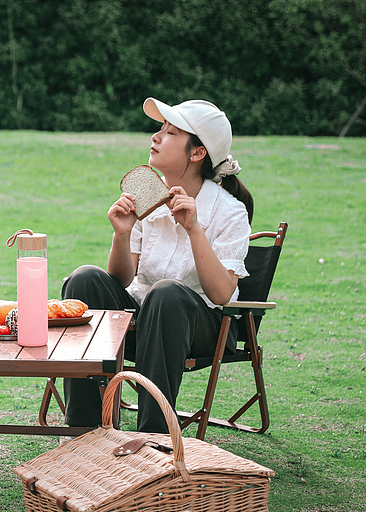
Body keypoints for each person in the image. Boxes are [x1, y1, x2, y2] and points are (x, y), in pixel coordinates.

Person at [60, 98, 254, 433]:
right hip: (140, 322)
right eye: (159, 129)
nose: (156, 137)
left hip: (202, 329)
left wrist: (194, 228)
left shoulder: (229, 211)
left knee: (167, 294)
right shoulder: (148, 200)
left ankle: (152, 436)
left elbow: (223, 294)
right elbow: (121, 279)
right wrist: (121, 235)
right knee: (84, 279)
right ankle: (84, 429)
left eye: (170, 132)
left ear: (197, 153)